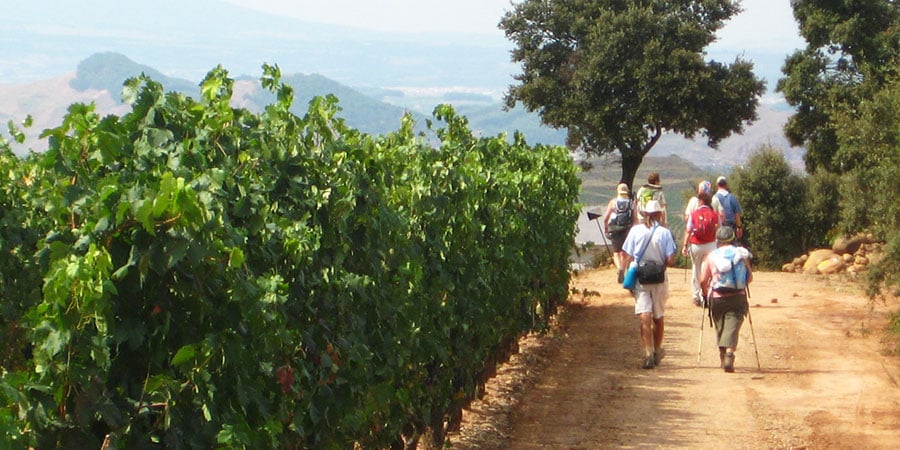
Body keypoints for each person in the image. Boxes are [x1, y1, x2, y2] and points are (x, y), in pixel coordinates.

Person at [622, 200, 677, 369]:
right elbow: (670, 260)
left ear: (644, 214)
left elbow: (627, 255)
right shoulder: (665, 233)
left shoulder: (635, 231)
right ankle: (657, 350)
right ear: (659, 214)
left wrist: (626, 275)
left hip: (641, 278)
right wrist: (660, 267)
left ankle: (648, 353)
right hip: (659, 279)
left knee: (644, 316)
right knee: (658, 316)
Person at [699, 226, 753, 372]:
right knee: (733, 325)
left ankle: (723, 355)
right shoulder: (742, 254)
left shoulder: (712, 256)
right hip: (738, 296)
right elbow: (749, 278)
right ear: (733, 239)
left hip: (717, 297)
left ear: (718, 240)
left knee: (720, 326)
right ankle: (729, 353)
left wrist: (704, 293)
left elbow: (703, 279)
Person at [682, 191, 719, 306]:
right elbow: (719, 230)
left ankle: (696, 295)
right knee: (708, 270)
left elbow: (688, 230)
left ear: (700, 201)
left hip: (696, 245)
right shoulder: (714, 214)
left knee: (696, 269)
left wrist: (685, 245)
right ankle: (708, 293)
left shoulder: (694, 214)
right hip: (711, 245)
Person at [603, 182, 636, 283]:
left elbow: (606, 218)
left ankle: (620, 268)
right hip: (627, 229)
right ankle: (623, 270)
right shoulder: (631, 203)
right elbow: (635, 218)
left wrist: (606, 228)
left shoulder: (613, 202)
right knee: (625, 253)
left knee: (616, 253)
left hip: (615, 229)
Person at [710, 176, 743, 242]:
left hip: (719, 228)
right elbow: (737, 215)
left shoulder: (714, 198)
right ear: (726, 185)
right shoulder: (732, 198)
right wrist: (739, 227)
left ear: (717, 185)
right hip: (731, 227)